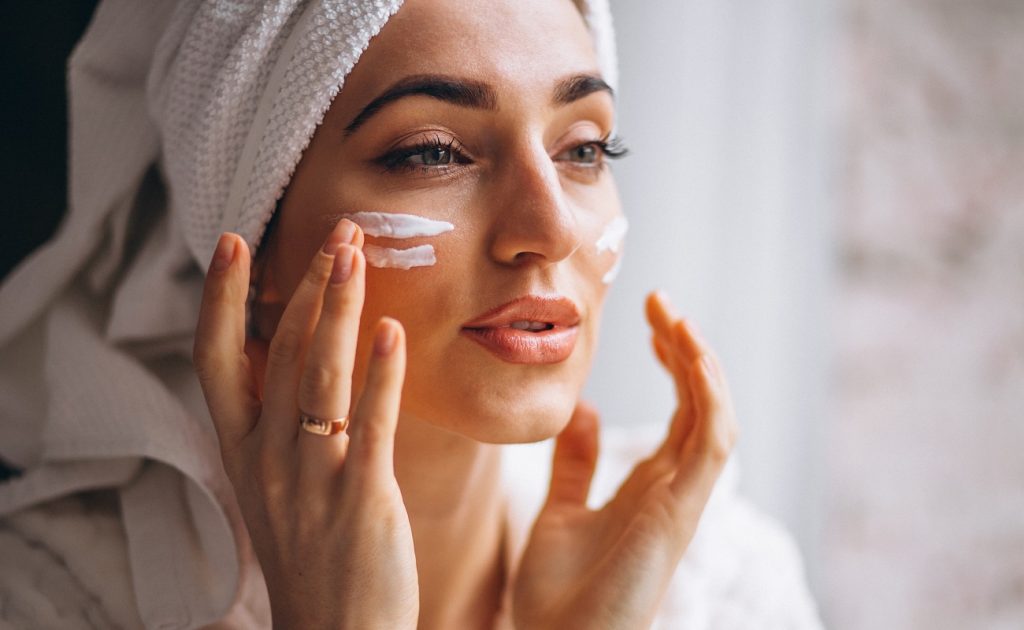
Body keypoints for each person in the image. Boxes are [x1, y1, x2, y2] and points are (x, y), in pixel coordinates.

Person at [0, 0, 824, 628]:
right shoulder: (49, 597)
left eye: (583, 148)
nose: (551, 228)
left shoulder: (719, 584)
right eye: (432, 152)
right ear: (254, 247)